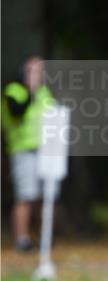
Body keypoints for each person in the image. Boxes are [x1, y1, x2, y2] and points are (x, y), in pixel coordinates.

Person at [1, 56, 57, 252]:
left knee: (46, 196)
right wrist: (30, 90)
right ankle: (22, 240)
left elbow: (55, 116)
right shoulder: (13, 91)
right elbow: (17, 112)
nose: (37, 76)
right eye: (33, 71)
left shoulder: (44, 92)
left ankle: (45, 237)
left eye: (40, 72)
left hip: (46, 151)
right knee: (25, 196)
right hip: (23, 150)